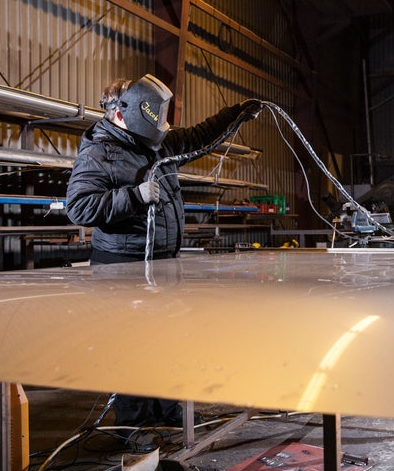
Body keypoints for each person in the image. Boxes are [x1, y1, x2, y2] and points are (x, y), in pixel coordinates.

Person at [66, 74, 262, 434]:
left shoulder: (153, 143)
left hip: (162, 264)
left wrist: (236, 114)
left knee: (169, 340)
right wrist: (135, 196)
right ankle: (134, 426)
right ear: (120, 113)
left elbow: (197, 138)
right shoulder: (100, 150)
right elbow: (79, 207)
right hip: (123, 270)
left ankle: (170, 412)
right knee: (132, 348)